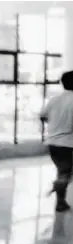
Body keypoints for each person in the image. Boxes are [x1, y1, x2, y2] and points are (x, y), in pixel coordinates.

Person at [40, 70, 73, 212]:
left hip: (52, 142)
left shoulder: (55, 99)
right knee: (65, 173)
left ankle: (59, 189)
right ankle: (59, 199)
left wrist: (56, 125)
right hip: (68, 143)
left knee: (63, 171)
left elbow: (42, 116)